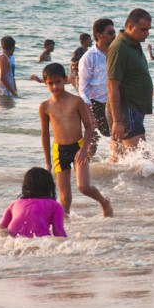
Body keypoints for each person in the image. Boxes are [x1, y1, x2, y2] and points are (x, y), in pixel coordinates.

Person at [39, 63, 113, 217]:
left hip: (78, 147)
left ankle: (104, 202)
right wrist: (48, 162)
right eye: (50, 83)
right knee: (64, 198)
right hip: (59, 151)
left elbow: (89, 127)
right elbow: (45, 135)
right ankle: (64, 229)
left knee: (83, 187)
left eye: (58, 82)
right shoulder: (45, 106)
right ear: (45, 83)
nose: (54, 86)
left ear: (65, 80)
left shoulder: (76, 101)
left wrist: (84, 149)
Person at [106, 8, 154, 153]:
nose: (147, 33)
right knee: (141, 161)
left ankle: (101, 176)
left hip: (133, 110)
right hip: (126, 111)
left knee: (119, 159)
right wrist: (117, 121)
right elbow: (112, 86)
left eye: (148, 29)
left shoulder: (134, 43)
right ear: (129, 26)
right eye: (143, 29)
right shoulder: (119, 48)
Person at [78, 19, 115, 152]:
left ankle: (117, 168)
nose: (114, 36)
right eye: (110, 33)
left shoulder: (115, 53)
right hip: (96, 104)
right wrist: (89, 112)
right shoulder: (89, 57)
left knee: (119, 138)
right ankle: (87, 169)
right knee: (92, 143)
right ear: (99, 35)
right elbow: (82, 88)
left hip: (114, 102)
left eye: (114, 32)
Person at [0, 167, 67, 238]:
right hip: (39, 239)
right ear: (50, 186)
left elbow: (0, 228)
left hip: (13, 238)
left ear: (25, 186)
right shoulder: (55, 206)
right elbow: (58, 231)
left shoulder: (14, 204)